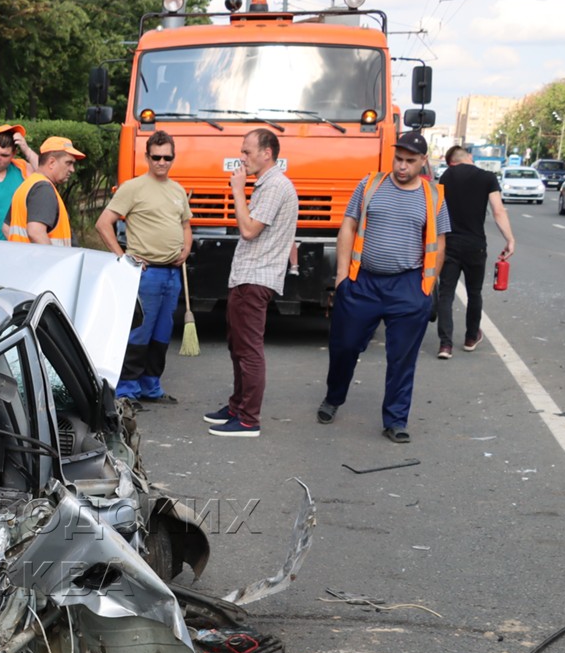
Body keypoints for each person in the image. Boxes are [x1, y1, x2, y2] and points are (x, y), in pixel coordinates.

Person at [317, 130, 452, 444]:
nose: (402, 166)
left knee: (402, 357)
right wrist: (341, 277)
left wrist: (425, 288)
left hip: (407, 286)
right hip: (362, 282)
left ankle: (395, 420)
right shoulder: (370, 185)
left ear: (422, 162)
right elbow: (348, 225)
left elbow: (440, 243)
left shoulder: (434, 196)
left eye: (410, 161)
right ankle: (333, 398)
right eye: (398, 159)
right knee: (344, 346)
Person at [204, 128, 298, 438]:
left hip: (255, 277)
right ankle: (236, 407)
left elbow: (248, 230)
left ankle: (247, 419)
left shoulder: (273, 187)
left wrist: (238, 190)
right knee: (239, 346)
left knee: (248, 350)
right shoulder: (269, 184)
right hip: (248, 276)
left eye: (247, 151)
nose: (242, 157)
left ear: (267, 153)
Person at [96, 130, 193, 402]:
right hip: (145, 274)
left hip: (172, 274)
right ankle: (127, 390)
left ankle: (151, 386)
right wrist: (124, 258)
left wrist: (186, 249)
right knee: (138, 332)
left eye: (167, 157)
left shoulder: (177, 190)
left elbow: (186, 225)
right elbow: (104, 223)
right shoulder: (133, 188)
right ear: (147, 157)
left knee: (162, 333)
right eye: (157, 157)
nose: (162, 162)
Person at [434, 143, 515, 358]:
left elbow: (438, 210)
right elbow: (498, 211)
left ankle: (445, 345)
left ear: (451, 162)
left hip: (449, 244)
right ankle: (471, 337)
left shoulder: (446, 178)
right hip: (475, 245)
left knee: (446, 294)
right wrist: (510, 239)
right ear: (469, 156)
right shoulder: (487, 177)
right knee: (474, 292)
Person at [12, 136, 83, 246]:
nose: (72, 169)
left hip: (24, 260)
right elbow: (35, 232)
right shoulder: (43, 189)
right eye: (68, 163)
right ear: (51, 163)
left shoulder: (28, 184)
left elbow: (6, 227)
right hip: (40, 263)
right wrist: (53, 260)